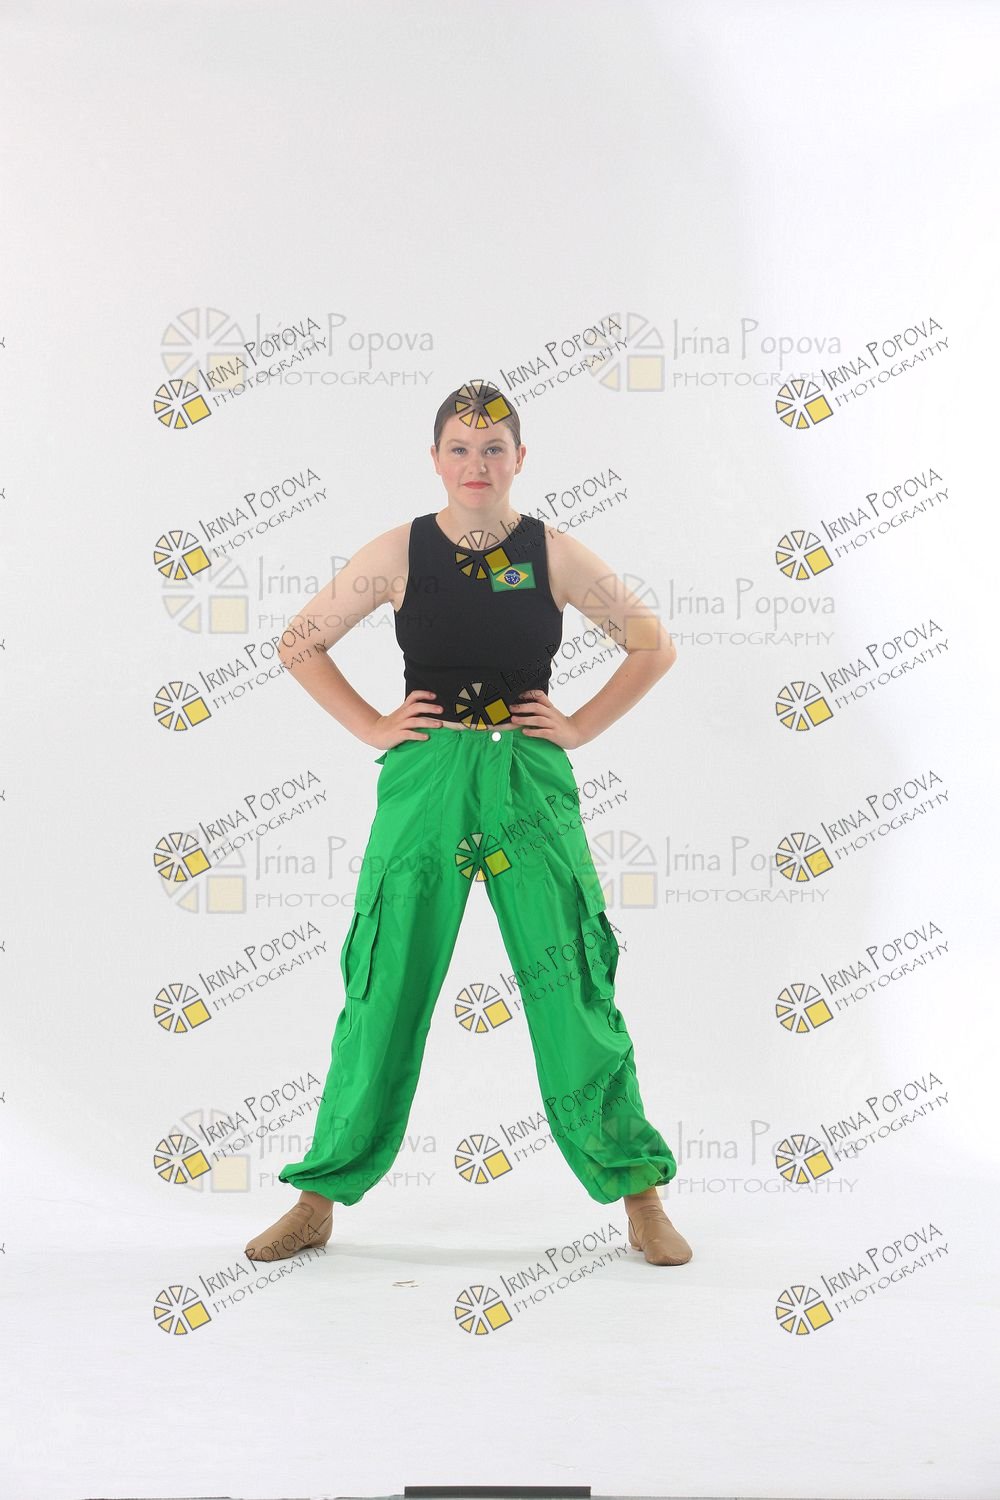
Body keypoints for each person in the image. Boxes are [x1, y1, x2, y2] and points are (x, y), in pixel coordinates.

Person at [244, 379, 692, 1268]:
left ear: (519, 459)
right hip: (428, 778)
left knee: (573, 977)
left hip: (527, 779)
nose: (476, 464)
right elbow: (299, 641)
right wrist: (373, 725)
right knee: (385, 977)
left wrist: (578, 726)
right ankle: (319, 1195)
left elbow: (653, 643)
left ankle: (639, 1192)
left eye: (493, 449)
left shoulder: (553, 553)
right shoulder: (399, 550)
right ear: (436, 458)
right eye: (459, 448)